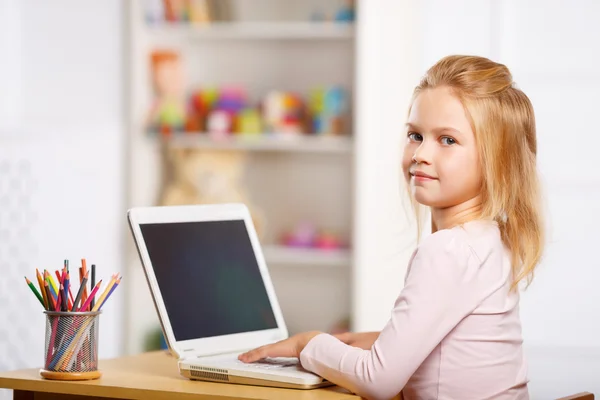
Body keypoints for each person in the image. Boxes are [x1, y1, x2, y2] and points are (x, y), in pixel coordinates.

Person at [239, 55, 544, 400]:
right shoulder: (490, 238)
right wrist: (368, 341)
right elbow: (452, 348)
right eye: (416, 135)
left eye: (447, 140)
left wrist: (307, 343)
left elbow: (377, 380)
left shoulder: (448, 250)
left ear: (497, 161)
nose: (420, 154)